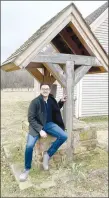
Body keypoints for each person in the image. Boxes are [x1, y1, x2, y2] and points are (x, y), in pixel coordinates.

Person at [19, 82, 68, 182]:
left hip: (49, 124)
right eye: (43, 89)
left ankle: (48, 154)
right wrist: (40, 130)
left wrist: (61, 102)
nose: (45, 90)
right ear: (40, 90)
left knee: (63, 136)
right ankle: (27, 169)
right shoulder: (35, 102)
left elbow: (55, 109)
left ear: (49, 90)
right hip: (36, 126)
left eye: (47, 89)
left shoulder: (51, 99)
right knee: (29, 146)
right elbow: (31, 118)